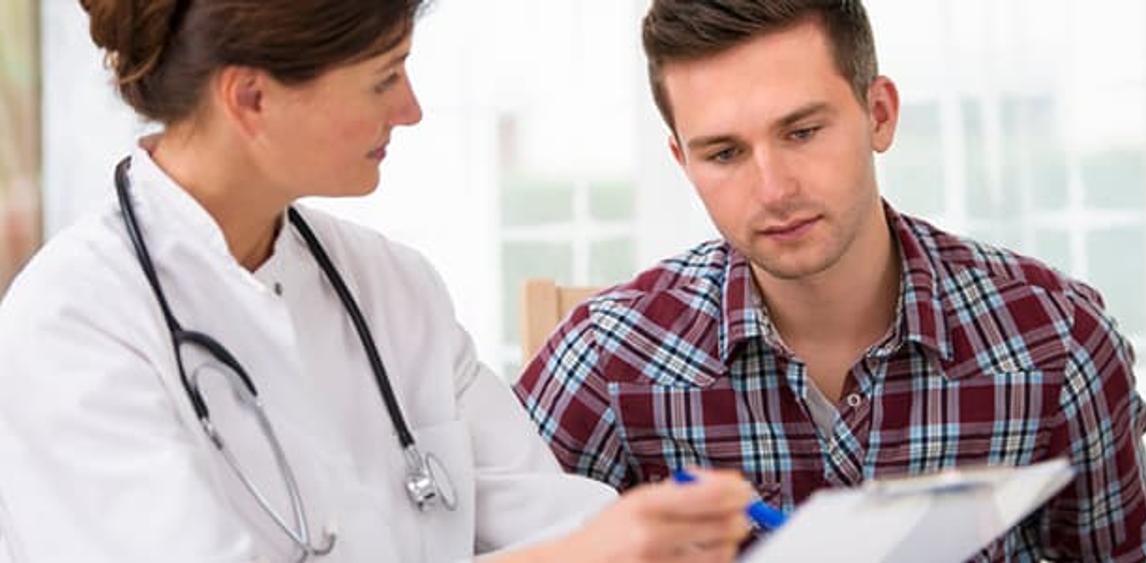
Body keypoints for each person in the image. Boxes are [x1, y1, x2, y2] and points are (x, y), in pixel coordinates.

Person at [0, 1, 756, 561]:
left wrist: (671, 536)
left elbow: (552, 519)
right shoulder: (72, 327)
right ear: (251, 99)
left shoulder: (393, 288)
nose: (412, 108)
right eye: (384, 78)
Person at [514, 0, 1146, 560]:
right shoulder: (609, 356)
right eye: (724, 153)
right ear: (681, 161)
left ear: (880, 114)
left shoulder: (1053, 338)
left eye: (803, 131)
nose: (773, 190)